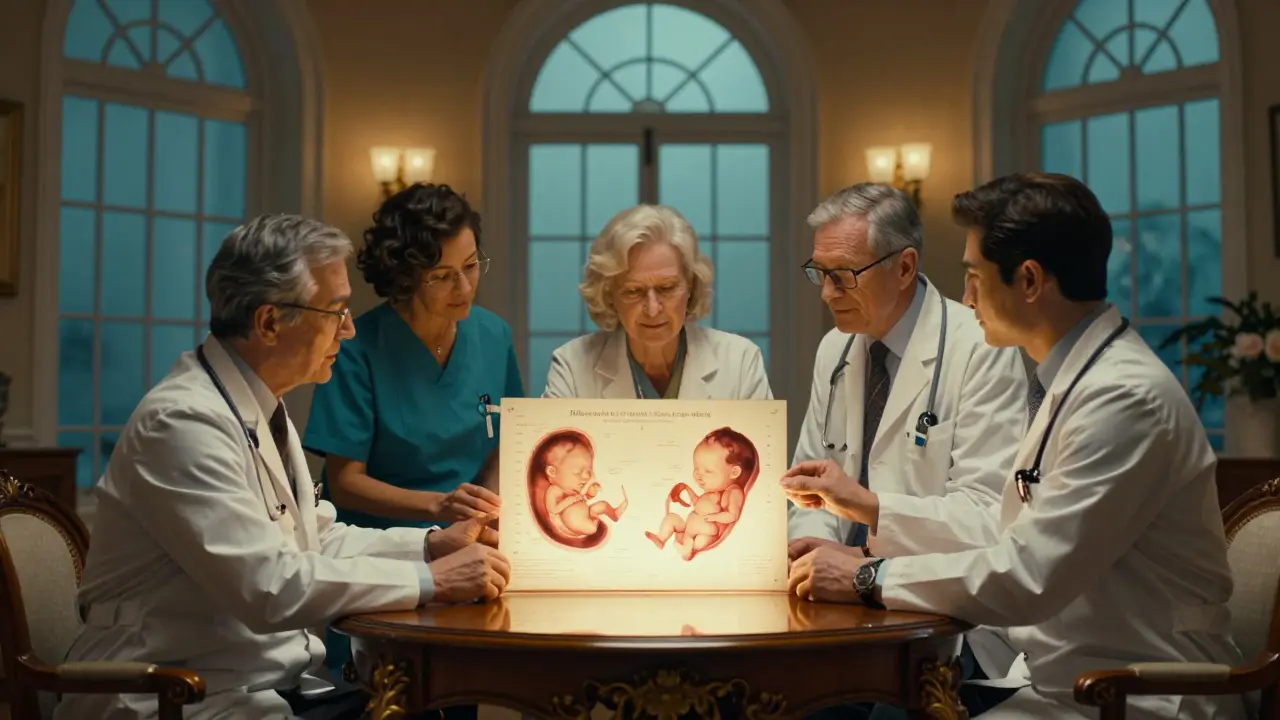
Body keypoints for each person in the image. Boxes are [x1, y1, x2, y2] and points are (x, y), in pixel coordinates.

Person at [784, 173, 1247, 720]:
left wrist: (867, 575)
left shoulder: (1124, 398)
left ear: (1028, 281)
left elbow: (1025, 574)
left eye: (975, 275)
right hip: (1062, 675)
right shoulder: (1073, 382)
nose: (966, 295)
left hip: (1139, 689)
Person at [54, 214, 511, 720]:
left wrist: (429, 544)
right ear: (270, 322)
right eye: (337, 311)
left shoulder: (259, 408)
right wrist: (434, 582)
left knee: (429, 702)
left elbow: (316, 540)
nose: (350, 328)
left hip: (255, 684)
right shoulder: (181, 423)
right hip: (170, 693)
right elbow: (269, 586)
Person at [786, 183, 1028, 685]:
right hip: (837, 607)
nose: (828, 293)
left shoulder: (982, 347)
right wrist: (810, 548)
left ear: (903, 267)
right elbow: (808, 483)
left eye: (843, 276)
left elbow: (987, 517)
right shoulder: (836, 348)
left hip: (945, 622)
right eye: (820, 274)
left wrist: (867, 547)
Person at [302, 184, 523, 683]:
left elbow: (508, 439)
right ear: (405, 278)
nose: (464, 288)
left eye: (471, 266)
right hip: (385, 565)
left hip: (472, 552)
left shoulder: (493, 335)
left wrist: (481, 511)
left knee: (468, 688)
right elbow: (345, 482)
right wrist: (438, 508)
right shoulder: (357, 348)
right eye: (443, 276)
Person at [542, 204, 772, 400]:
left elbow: (763, 452)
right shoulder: (572, 366)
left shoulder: (740, 362)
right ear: (609, 294)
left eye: (667, 288)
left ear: (691, 285)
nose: (653, 309)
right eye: (633, 291)